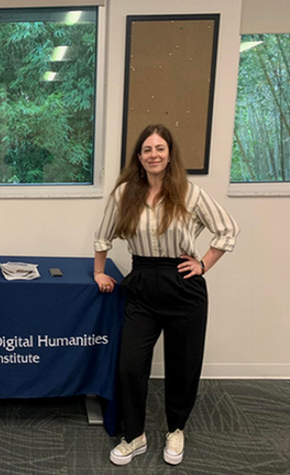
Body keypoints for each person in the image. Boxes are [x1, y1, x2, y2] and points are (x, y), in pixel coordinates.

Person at [93, 124, 239, 466]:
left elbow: (227, 229)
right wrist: (99, 271)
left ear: (170, 154)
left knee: (183, 365)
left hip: (183, 287)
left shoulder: (190, 193)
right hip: (142, 282)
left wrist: (203, 264)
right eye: (147, 149)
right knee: (130, 364)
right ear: (139, 157)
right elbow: (103, 235)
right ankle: (135, 434)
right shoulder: (124, 194)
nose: (153, 155)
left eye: (159, 148)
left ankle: (176, 428)